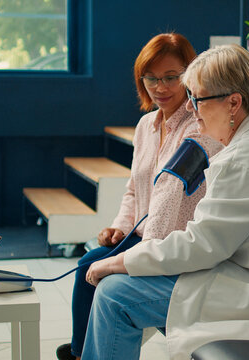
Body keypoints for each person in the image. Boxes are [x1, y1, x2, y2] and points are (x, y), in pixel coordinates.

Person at [81, 44, 249, 360]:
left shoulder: (245, 158)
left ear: (233, 103)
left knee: (115, 296)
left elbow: (203, 245)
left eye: (197, 99)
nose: (192, 111)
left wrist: (118, 262)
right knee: (118, 286)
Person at [56, 33, 223, 360]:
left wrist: (137, 256)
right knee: (88, 262)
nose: (160, 87)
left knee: (91, 266)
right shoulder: (146, 125)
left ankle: (80, 353)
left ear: (189, 76)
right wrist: (119, 228)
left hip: (171, 240)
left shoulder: (197, 126)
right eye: (151, 78)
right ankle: (81, 352)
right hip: (142, 234)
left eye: (171, 78)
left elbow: (170, 193)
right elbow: (134, 187)